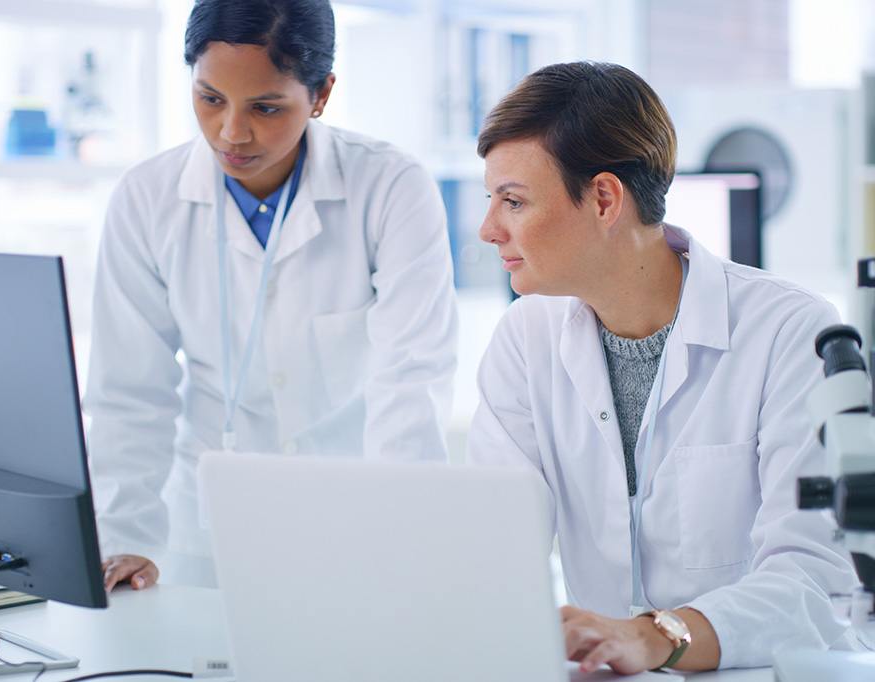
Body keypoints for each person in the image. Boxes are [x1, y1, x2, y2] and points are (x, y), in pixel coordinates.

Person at [467, 61, 859, 673]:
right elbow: (492, 550)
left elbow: (815, 578)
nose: (489, 230)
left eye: (513, 201)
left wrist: (656, 637)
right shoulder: (525, 340)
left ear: (603, 199)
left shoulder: (790, 331)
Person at [85, 0, 457, 592]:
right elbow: (130, 393)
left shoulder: (391, 189)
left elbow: (410, 381)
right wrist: (125, 536)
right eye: (210, 99)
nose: (231, 132)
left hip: (355, 524)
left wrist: (402, 532)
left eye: (265, 107)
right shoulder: (147, 198)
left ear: (321, 94)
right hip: (203, 529)